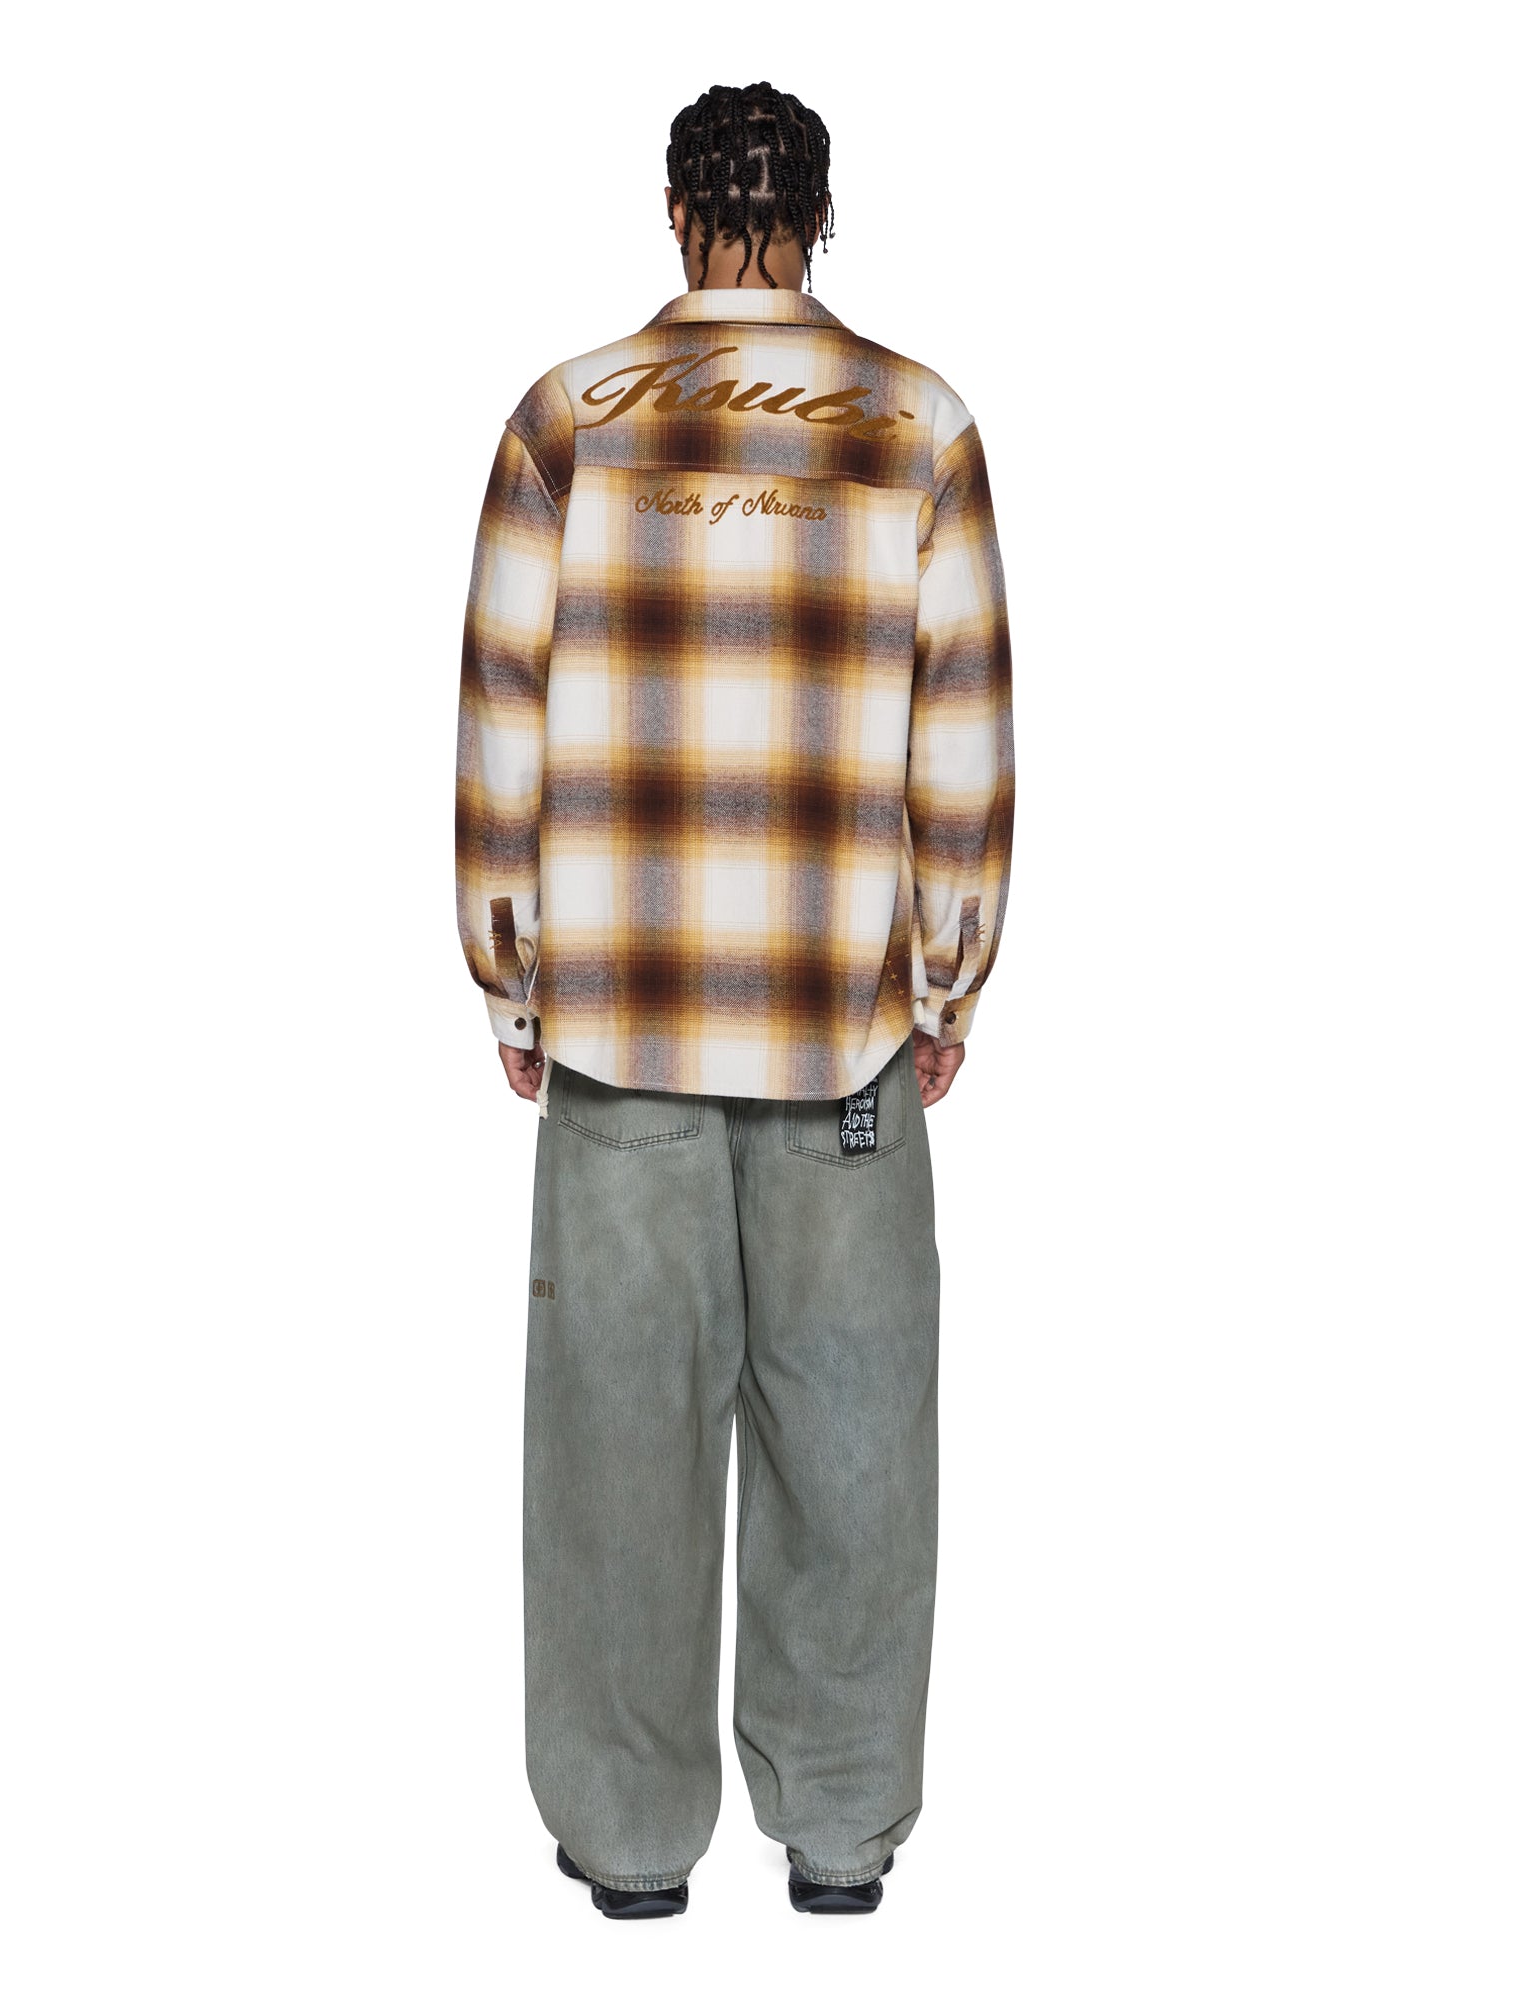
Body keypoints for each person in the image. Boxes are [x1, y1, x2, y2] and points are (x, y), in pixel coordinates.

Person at [455, 80, 1014, 1919]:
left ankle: (629, 1853)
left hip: (622, 1042)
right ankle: (839, 1842)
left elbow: (502, 723)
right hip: (845, 1043)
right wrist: (946, 979)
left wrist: (516, 984)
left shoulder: (567, 420)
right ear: (820, 216)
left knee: (616, 1461)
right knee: (853, 1454)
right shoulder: (920, 427)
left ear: (676, 209)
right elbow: (961, 740)